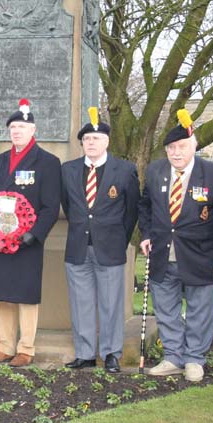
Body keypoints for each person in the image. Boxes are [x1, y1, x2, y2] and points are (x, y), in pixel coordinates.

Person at [138, 109, 213, 382]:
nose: (176, 153)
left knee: (199, 311)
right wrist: (146, 234)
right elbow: (144, 205)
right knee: (166, 310)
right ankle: (173, 357)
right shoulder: (156, 171)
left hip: (200, 257)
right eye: (171, 148)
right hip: (161, 255)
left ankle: (194, 359)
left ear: (194, 145)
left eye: (181, 147)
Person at [0, 99, 61, 367]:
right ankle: (3, 346)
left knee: (25, 295)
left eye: (22, 127)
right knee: (2, 293)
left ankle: (26, 348)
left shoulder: (48, 162)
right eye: (13, 127)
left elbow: (51, 207)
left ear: (33, 130)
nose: (17, 131)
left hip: (26, 241)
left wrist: (35, 234)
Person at [61, 107, 140, 372]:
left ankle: (110, 354)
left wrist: (119, 238)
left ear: (107, 141)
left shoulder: (125, 170)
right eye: (87, 139)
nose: (91, 143)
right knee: (81, 304)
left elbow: (131, 211)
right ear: (82, 143)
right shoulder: (68, 170)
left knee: (111, 304)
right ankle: (84, 354)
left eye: (97, 138)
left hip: (111, 248)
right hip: (78, 248)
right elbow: (70, 206)